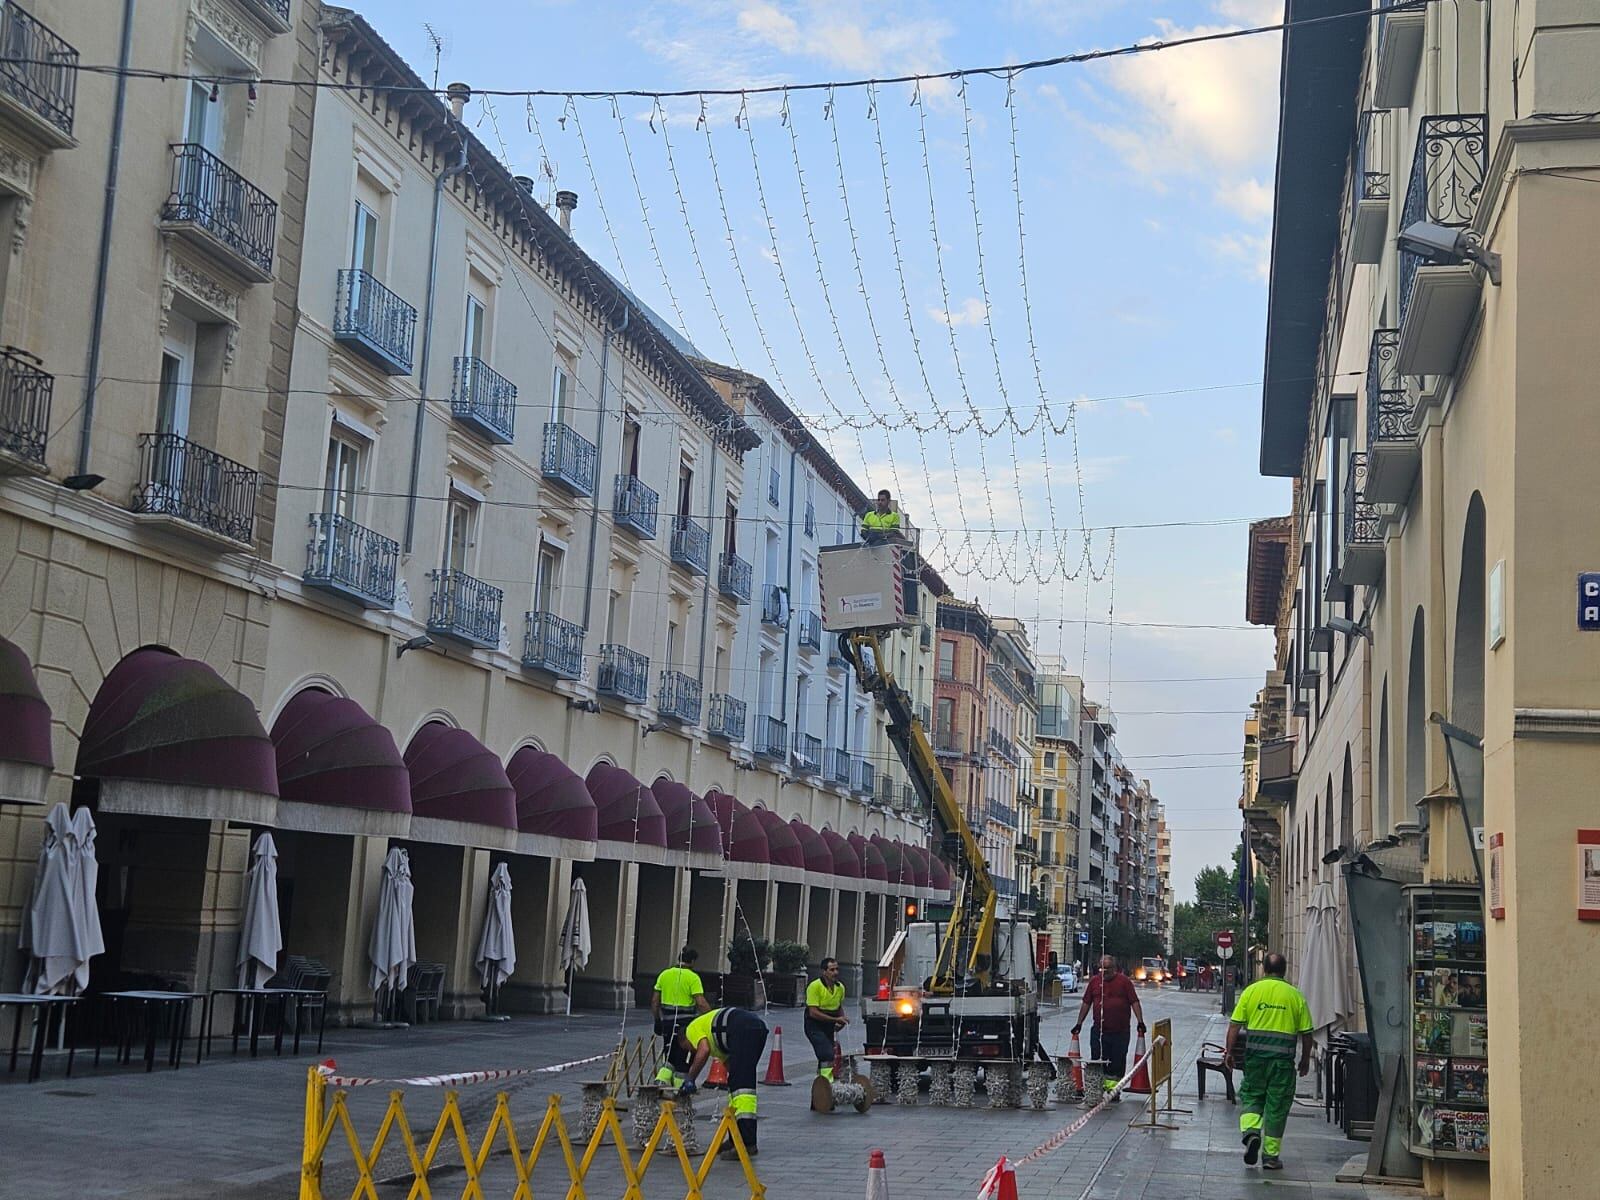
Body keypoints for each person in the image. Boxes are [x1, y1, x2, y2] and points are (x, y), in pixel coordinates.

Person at [1225, 952, 1314, 1172]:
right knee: (1277, 1107)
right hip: (1282, 1064)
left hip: (1255, 1061)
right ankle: (1271, 1157)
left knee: (1252, 1097)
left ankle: (1251, 1133)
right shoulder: (1295, 996)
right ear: (1284, 971)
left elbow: (1234, 1025)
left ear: (1264, 969)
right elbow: (1307, 1034)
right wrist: (1305, 1060)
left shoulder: (1251, 992)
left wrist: (1229, 1052)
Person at [677, 1006, 770, 1158]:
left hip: (742, 1029)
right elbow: (731, 1066)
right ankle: (735, 1138)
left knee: (743, 1089)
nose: (691, 1051)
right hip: (754, 1028)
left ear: (684, 1040)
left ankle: (746, 1145)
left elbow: (703, 1051)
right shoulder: (717, 1041)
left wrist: (690, 1079)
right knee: (735, 1084)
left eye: (688, 1048)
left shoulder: (691, 1030)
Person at [1071, 955, 1145, 1097]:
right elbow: (1086, 1003)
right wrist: (1079, 1023)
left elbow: (1134, 1002)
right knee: (1098, 1059)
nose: (1104, 971)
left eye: (1108, 968)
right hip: (1099, 1031)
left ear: (1115, 968)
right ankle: (1097, 1089)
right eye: (1102, 968)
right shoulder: (1094, 982)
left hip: (1120, 1031)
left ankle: (1114, 1091)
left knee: (1117, 1061)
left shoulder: (1124, 982)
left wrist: (1140, 1021)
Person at [652, 946, 710, 1087]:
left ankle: (661, 1081)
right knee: (682, 1056)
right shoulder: (693, 978)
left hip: (667, 1022)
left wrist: (657, 1020)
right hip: (685, 1026)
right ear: (692, 961)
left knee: (669, 1053)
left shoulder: (664, 975)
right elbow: (701, 1002)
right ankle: (679, 1088)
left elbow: (655, 1001)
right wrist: (710, 1017)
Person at [804, 957, 848, 1080]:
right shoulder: (815, 986)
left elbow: (839, 1007)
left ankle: (820, 1082)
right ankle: (827, 1083)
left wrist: (842, 1019)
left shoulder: (840, 988)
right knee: (826, 1053)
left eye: (837, 969)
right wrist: (835, 1020)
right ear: (824, 972)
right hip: (814, 1025)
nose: (835, 973)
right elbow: (813, 1013)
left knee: (826, 1054)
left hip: (829, 1025)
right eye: (832, 970)